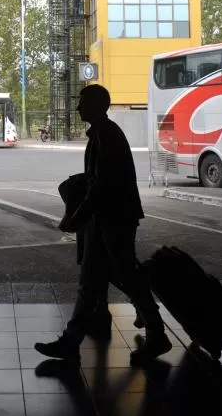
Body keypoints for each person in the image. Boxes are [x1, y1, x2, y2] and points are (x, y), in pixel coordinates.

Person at [35, 85, 172, 365]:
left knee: (126, 275)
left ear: (98, 105)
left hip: (114, 219)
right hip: (106, 219)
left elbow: (100, 185)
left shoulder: (105, 136)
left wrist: (76, 217)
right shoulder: (103, 133)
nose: (77, 108)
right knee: (91, 281)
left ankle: (157, 334)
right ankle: (71, 341)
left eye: (82, 102)